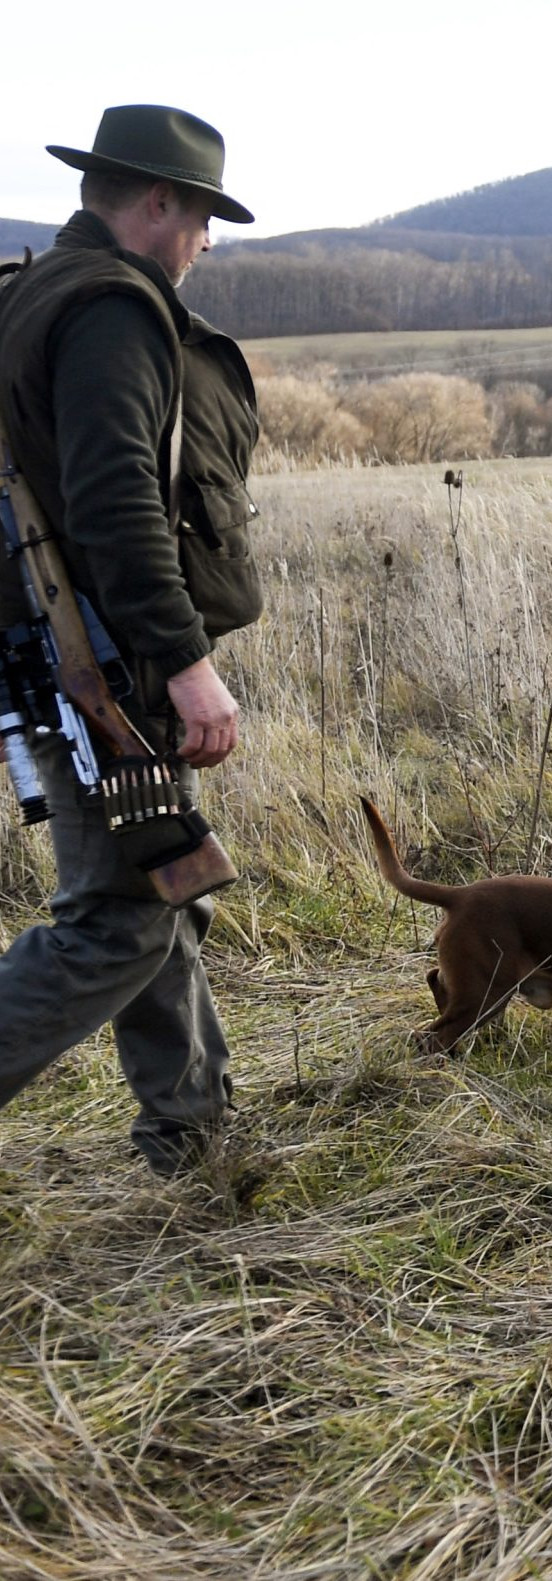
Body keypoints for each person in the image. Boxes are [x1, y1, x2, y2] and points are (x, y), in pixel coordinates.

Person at [0, 105, 262, 1174]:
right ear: (159, 201)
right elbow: (116, 502)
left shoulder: (32, 291)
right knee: (119, 922)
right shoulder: (112, 306)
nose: (205, 244)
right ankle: (188, 1133)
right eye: (202, 219)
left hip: (63, 650)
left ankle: (190, 1134)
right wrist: (185, 662)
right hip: (103, 665)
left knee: (164, 883)